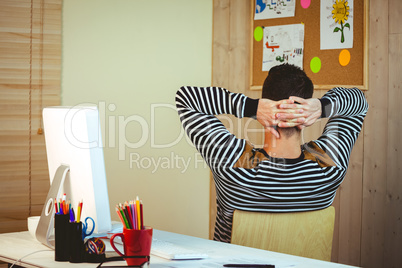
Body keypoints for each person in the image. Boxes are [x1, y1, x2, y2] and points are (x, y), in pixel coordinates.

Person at [175, 63, 369, 243]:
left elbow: (186, 99)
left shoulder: (236, 164)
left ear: (264, 108)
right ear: (306, 112)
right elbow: (359, 102)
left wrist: (252, 107)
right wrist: (322, 107)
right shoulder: (328, 166)